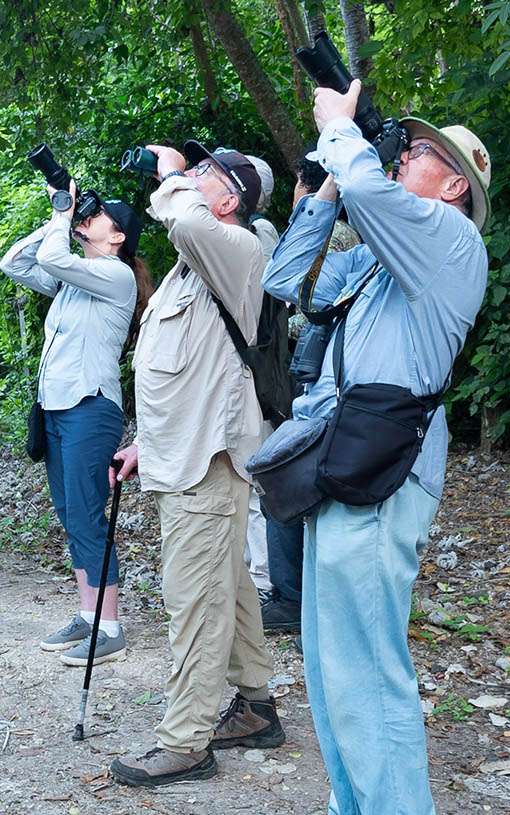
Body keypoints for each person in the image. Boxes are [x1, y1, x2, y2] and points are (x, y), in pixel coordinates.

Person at [262, 80, 492, 814]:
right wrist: (328, 185)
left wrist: (341, 129)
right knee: (332, 669)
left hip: (385, 477)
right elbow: (284, 277)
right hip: (350, 468)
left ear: (454, 182)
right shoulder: (380, 263)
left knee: (369, 669)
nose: (400, 155)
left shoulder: (453, 238)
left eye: (417, 151)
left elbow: (375, 189)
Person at [107, 141, 283, 787]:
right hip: (184, 450)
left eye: (204, 176)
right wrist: (143, 442)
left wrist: (172, 168)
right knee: (228, 585)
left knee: (194, 600)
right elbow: (189, 373)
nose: (187, 182)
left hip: (207, 460)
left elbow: (183, 216)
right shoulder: (192, 268)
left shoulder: (241, 250)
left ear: (228, 199)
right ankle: (257, 706)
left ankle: (185, 740)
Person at [0, 183, 150, 666]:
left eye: (100, 215)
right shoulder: (75, 277)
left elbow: (55, 259)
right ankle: (88, 616)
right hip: (57, 409)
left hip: (91, 408)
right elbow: (15, 263)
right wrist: (58, 217)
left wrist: (66, 220)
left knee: (87, 513)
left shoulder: (116, 277)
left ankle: (110, 626)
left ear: (118, 236)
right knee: (70, 514)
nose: (91, 217)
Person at [259, 150, 364, 638]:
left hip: (327, 378)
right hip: (322, 381)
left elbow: (302, 299)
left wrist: (293, 328)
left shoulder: (338, 238)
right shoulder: (351, 237)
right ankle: (303, 598)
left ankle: (294, 598)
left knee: (293, 478)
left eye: (299, 186)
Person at [241, 154, 278, 602]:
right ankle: (251, 576)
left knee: (255, 479)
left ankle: (264, 580)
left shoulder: (260, 232)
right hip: (245, 372)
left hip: (257, 373)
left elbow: (262, 303)